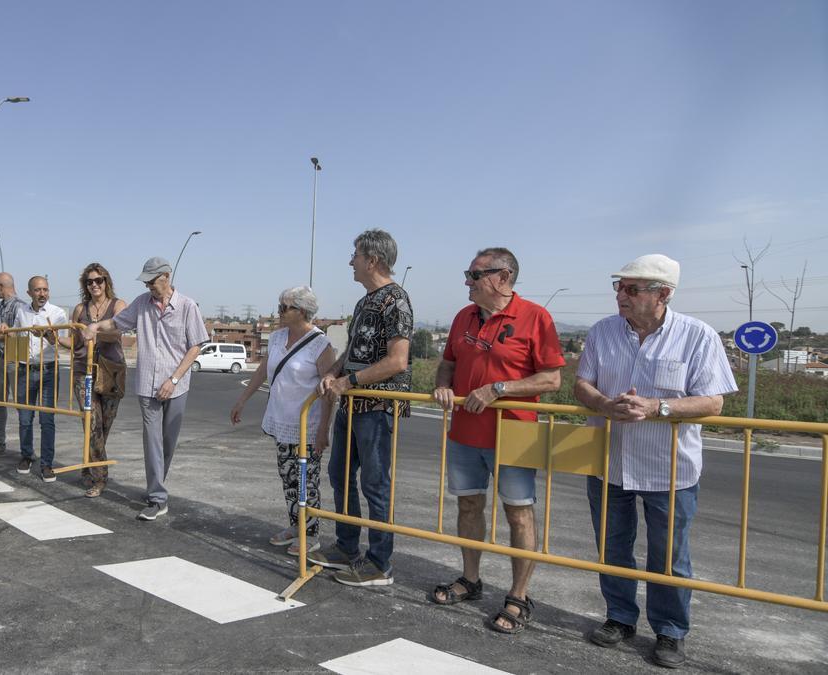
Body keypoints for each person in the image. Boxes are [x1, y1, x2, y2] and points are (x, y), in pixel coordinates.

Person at [573, 254, 736, 668]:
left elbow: (713, 400)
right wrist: (605, 404)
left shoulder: (697, 336)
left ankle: (670, 631)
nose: (620, 295)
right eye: (619, 287)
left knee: (669, 555)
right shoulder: (603, 332)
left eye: (631, 288)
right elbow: (582, 385)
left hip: (669, 470)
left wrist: (656, 407)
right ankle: (619, 617)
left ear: (663, 294)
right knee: (612, 547)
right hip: (609, 462)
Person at [429, 247, 565, 635]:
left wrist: (499, 389)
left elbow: (552, 378)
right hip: (465, 434)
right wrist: (442, 385)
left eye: (474, 275)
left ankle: (519, 596)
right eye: (468, 275)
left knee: (518, 513)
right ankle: (470, 580)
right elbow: (449, 363)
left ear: (502, 277)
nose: (466, 282)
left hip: (515, 433)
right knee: (469, 506)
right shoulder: (462, 317)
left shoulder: (535, 317)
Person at [309, 229, 412, 587]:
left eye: (355, 255)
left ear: (372, 260)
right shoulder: (365, 301)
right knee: (340, 477)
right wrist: (333, 373)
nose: (350, 261)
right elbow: (353, 351)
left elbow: (398, 361)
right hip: (351, 406)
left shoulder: (395, 300)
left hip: (377, 408)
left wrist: (348, 383)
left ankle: (379, 563)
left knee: (375, 485)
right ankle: (346, 547)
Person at [82, 256, 209, 521]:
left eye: (153, 281)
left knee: (167, 442)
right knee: (151, 441)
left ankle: (156, 484)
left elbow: (195, 346)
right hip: (147, 385)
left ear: (167, 276)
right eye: (147, 281)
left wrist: (172, 380)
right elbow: (117, 323)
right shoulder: (141, 304)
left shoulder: (187, 306)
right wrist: (95, 326)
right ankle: (157, 498)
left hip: (176, 385)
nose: (149, 286)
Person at [231, 286, 336, 555]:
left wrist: (324, 429)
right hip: (282, 421)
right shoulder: (278, 338)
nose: (278, 312)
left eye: (284, 307)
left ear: (301, 311)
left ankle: (310, 534)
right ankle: (294, 525)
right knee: (287, 476)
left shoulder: (321, 345)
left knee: (306, 481)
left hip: (307, 426)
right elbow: (263, 371)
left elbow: (328, 392)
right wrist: (243, 399)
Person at [69, 263, 128, 498]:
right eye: (89, 281)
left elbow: (117, 333)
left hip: (111, 371)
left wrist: (95, 331)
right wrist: (53, 338)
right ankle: (100, 478)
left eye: (99, 280)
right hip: (84, 372)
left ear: (106, 281)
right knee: (92, 426)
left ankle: (89, 463)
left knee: (103, 427)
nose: (94, 284)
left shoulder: (118, 305)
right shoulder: (79, 309)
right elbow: (75, 342)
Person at [13, 275, 70, 482]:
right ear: (29, 293)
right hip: (24, 370)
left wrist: (49, 335)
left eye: (45, 289)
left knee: (47, 419)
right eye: (37, 290)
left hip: (48, 371)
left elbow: (62, 341)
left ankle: (47, 463)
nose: (42, 294)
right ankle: (27, 456)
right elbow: (16, 339)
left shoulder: (58, 313)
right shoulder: (21, 312)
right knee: (25, 418)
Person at [0, 273, 30, 459]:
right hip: (0, 359)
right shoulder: (1, 307)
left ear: (2, 286)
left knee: (21, 405)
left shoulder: (19, 306)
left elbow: (19, 335)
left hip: (14, 360)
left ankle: (26, 450)